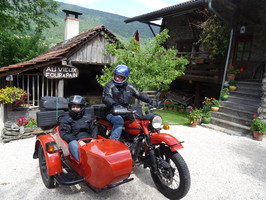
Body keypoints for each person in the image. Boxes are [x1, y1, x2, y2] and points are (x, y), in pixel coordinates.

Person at [102, 64, 157, 140]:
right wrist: (114, 105)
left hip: (126, 112)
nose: (117, 78)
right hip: (112, 112)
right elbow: (106, 97)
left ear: (125, 78)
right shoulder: (109, 85)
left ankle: (136, 141)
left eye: (120, 77)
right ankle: (112, 142)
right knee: (118, 120)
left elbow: (139, 94)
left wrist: (151, 101)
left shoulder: (130, 86)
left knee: (141, 122)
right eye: (116, 76)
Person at [59, 95, 97, 162]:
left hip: (89, 139)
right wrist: (79, 141)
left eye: (77, 107)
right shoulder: (66, 119)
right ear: (70, 107)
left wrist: (93, 139)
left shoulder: (88, 116)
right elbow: (64, 133)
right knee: (73, 144)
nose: (75, 109)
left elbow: (94, 128)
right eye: (73, 107)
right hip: (74, 140)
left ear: (82, 108)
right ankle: (81, 163)